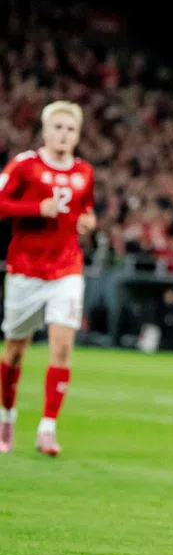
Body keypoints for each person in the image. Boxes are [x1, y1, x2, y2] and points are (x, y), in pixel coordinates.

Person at [0, 101, 95, 456]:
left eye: (70, 129)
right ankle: (6, 416)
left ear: (78, 134)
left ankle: (47, 428)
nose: (63, 134)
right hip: (25, 269)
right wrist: (34, 209)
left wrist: (88, 221)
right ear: (44, 130)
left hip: (66, 268)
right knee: (14, 349)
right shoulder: (25, 165)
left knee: (62, 346)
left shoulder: (84, 171)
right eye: (57, 127)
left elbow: (85, 208)